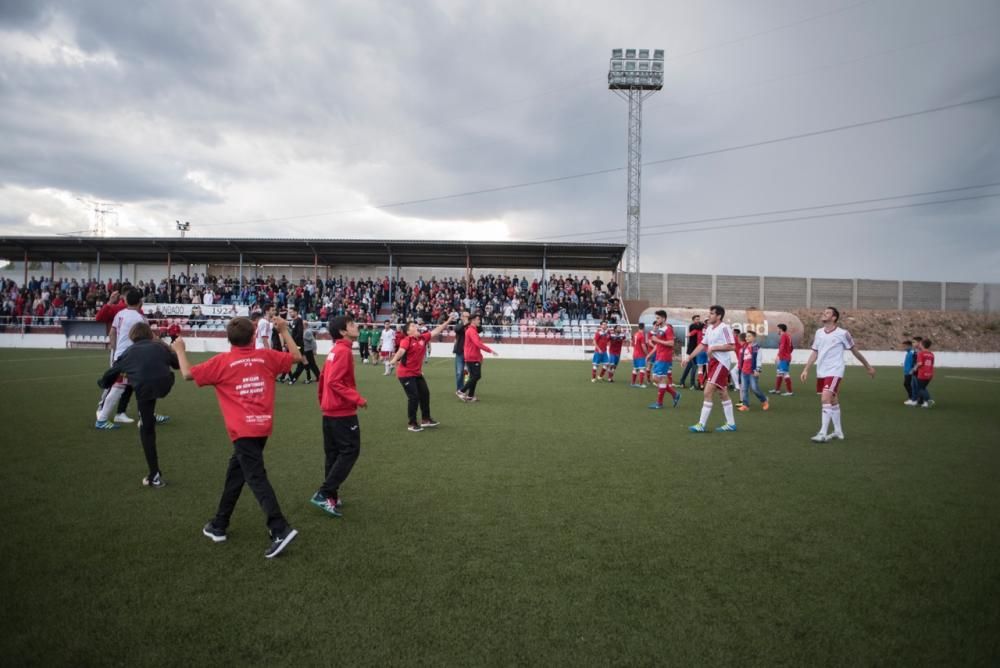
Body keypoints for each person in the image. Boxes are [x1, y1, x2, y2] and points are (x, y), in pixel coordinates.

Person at [174, 316, 302, 559]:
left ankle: (279, 528)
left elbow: (188, 374)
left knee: (255, 477)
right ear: (254, 336)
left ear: (228, 339)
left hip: (242, 431)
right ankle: (219, 524)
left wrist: (180, 349)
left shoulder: (223, 362)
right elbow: (296, 357)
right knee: (237, 473)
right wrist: (284, 331)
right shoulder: (266, 356)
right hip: (262, 427)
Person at [97, 322, 178, 487]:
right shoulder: (160, 348)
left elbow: (112, 372)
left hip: (144, 388)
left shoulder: (129, 351)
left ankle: (154, 475)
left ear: (132, 337)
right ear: (150, 335)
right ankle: (147, 416)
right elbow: (176, 364)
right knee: (148, 387)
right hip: (165, 384)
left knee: (147, 429)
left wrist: (103, 382)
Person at [311, 315, 367, 516]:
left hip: (330, 411)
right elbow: (334, 381)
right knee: (350, 451)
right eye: (352, 324)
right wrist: (357, 398)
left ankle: (330, 497)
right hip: (341, 411)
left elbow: (323, 379)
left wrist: (323, 402)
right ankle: (324, 492)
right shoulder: (342, 351)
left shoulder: (335, 350)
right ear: (343, 332)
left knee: (333, 454)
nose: (356, 326)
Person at [799, 306, 875, 443]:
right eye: (824, 312)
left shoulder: (843, 333)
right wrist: (806, 369)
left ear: (834, 317)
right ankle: (838, 431)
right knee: (833, 400)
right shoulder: (819, 333)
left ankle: (822, 433)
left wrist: (868, 366)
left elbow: (854, 351)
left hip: (835, 370)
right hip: (821, 371)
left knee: (825, 399)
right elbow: (815, 352)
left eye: (827, 313)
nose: (824, 314)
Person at [390, 315, 456, 432]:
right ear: (408, 331)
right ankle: (412, 423)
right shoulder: (407, 340)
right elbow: (401, 351)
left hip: (417, 373)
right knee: (413, 397)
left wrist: (448, 321)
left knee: (425, 394)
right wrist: (394, 360)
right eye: (412, 326)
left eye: (415, 325)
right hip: (405, 374)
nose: (415, 326)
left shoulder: (422, 338)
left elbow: (436, 330)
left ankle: (426, 420)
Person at [96, 288, 147, 428]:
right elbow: (147, 339)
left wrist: (115, 349)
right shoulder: (140, 318)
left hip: (121, 355)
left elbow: (112, 332)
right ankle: (102, 419)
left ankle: (107, 417)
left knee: (124, 385)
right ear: (140, 301)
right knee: (125, 386)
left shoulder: (120, 314)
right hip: (132, 358)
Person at [685, 305, 737, 432]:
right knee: (722, 393)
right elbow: (702, 344)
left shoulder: (724, 328)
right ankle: (731, 424)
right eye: (709, 313)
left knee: (707, 391)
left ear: (719, 316)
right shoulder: (709, 328)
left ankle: (701, 425)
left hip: (721, 363)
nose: (709, 315)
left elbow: (732, 346)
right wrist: (689, 357)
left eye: (712, 313)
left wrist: (714, 348)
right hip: (713, 363)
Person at [459, 313, 499, 402]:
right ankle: (461, 391)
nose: (479, 321)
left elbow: (476, 345)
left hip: (473, 356)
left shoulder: (472, 330)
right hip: (472, 356)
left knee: (474, 376)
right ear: (473, 320)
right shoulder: (471, 331)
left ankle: (470, 396)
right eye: (478, 319)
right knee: (477, 376)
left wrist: (480, 357)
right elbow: (478, 344)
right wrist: (490, 351)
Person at [647, 310, 681, 410]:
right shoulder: (660, 329)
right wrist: (650, 354)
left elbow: (671, 343)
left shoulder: (668, 328)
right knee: (658, 378)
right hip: (659, 356)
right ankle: (672, 396)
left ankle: (664, 400)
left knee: (657, 379)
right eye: (656, 318)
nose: (656, 320)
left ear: (664, 319)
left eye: (658, 318)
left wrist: (657, 340)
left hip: (664, 357)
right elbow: (658, 344)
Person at [737, 331, 769, 412]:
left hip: (752, 371)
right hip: (744, 371)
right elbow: (742, 359)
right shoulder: (744, 347)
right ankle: (745, 405)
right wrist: (740, 368)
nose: (747, 338)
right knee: (744, 389)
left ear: (754, 338)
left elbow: (759, 359)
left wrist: (758, 369)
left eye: (749, 336)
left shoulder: (757, 348)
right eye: (746, 336)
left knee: (754, 388)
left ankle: (764, 401)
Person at [679, 315, 703, 389]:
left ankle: (682, 381)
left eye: (699, 319)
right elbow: (699, 327)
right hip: (692, 349)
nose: (698, 320)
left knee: (689, 367)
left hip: (697, 349)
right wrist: (704, 324)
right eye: (696, 319)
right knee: (695, 367)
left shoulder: (700, 325)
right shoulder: (692, 326)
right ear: (693, 320)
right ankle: (692, 384)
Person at [770, 323, 794, 396]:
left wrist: (778, 356)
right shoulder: (788, 335)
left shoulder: (783, 335)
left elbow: (782, 346)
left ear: (780, 329)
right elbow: (792, 347)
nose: (776, 330)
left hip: (783, 357)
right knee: (779, 373)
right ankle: (777, 390)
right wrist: (788, 353)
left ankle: (790, 392)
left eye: (777, 329)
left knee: (785, 373)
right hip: (785, 356)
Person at [912, 339, 935, 408]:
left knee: (920, 388)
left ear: (923, 345)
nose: (919, 345)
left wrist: (914, 368)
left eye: (920, 344)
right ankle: (924, 402)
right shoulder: (931, 354)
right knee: (923, 388)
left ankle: (929, 400)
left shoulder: (921, 353)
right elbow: (932, 364)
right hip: (930, 373)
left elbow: (920, 363)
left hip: (922, 373)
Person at [452, 311, 470, 392]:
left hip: (469, 353)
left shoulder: (471, 326)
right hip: (460, 352)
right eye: (465, 316)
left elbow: (480, 329)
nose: (466, 318)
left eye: (468, 316)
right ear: (462, 317)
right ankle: (459, 389)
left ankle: (465, 388)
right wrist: (465, 323)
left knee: (467, 372)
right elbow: (457, 329)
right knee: (459, 372)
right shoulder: (460, 325)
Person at [631, 323, 648, 388]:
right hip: (640, 354)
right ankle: (641, 384)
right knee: (642, 369)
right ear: (643, 327)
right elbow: (643, 345)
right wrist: (647, 353)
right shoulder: (641, 335)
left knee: (635, 369)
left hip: (635, 354)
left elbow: (633, 344)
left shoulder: (635, 334)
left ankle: (633, 383)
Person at [901, 339, 917, 405]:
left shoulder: (912, 353)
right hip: (907, 372)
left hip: (910, 372)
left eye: (905, 346)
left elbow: (915, 362)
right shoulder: (908, 353)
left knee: (907, 384)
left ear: (909, 346)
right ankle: (913, 398)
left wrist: (912, 369)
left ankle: (912, 398)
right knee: (907, 384)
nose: (904, 348)